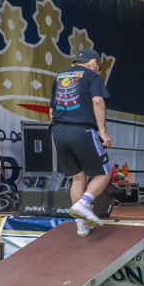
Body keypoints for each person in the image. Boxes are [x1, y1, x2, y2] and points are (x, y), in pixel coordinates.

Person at [49, 48, 111, 237]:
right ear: (94, 63)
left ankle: (81, 224)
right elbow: (98, 101)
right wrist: (102, 131)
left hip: (58, 131)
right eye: (99, 67)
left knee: (78, 177)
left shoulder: (59, 77)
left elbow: (51, 109)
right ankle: (84, 204)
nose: (98, 70)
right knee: (104, 173)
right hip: (82, 129)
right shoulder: (91, 75)